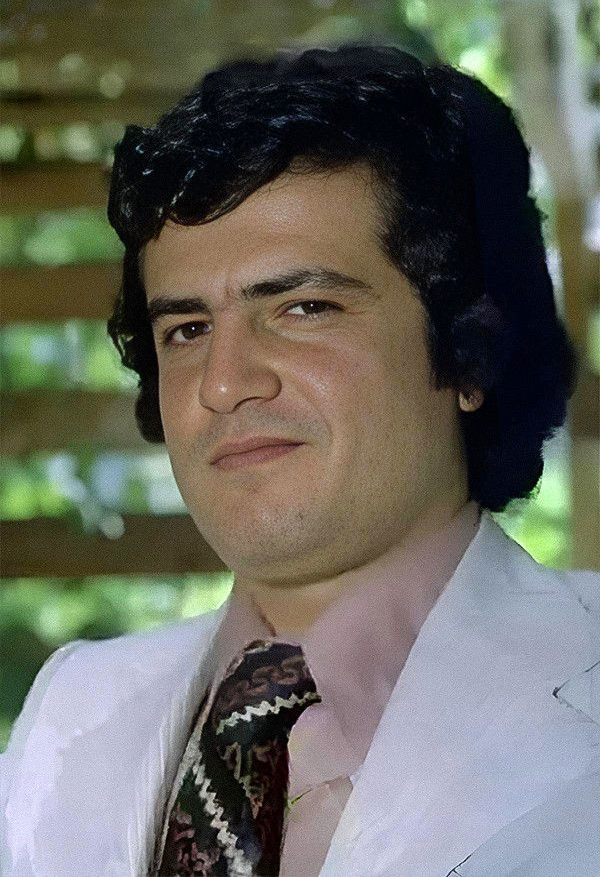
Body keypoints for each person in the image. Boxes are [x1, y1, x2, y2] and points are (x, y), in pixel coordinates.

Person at [1, 44, 599, 877]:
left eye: (303, 308)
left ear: (469, 350)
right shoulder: (70, 711)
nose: (223, 383)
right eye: (186, 329)